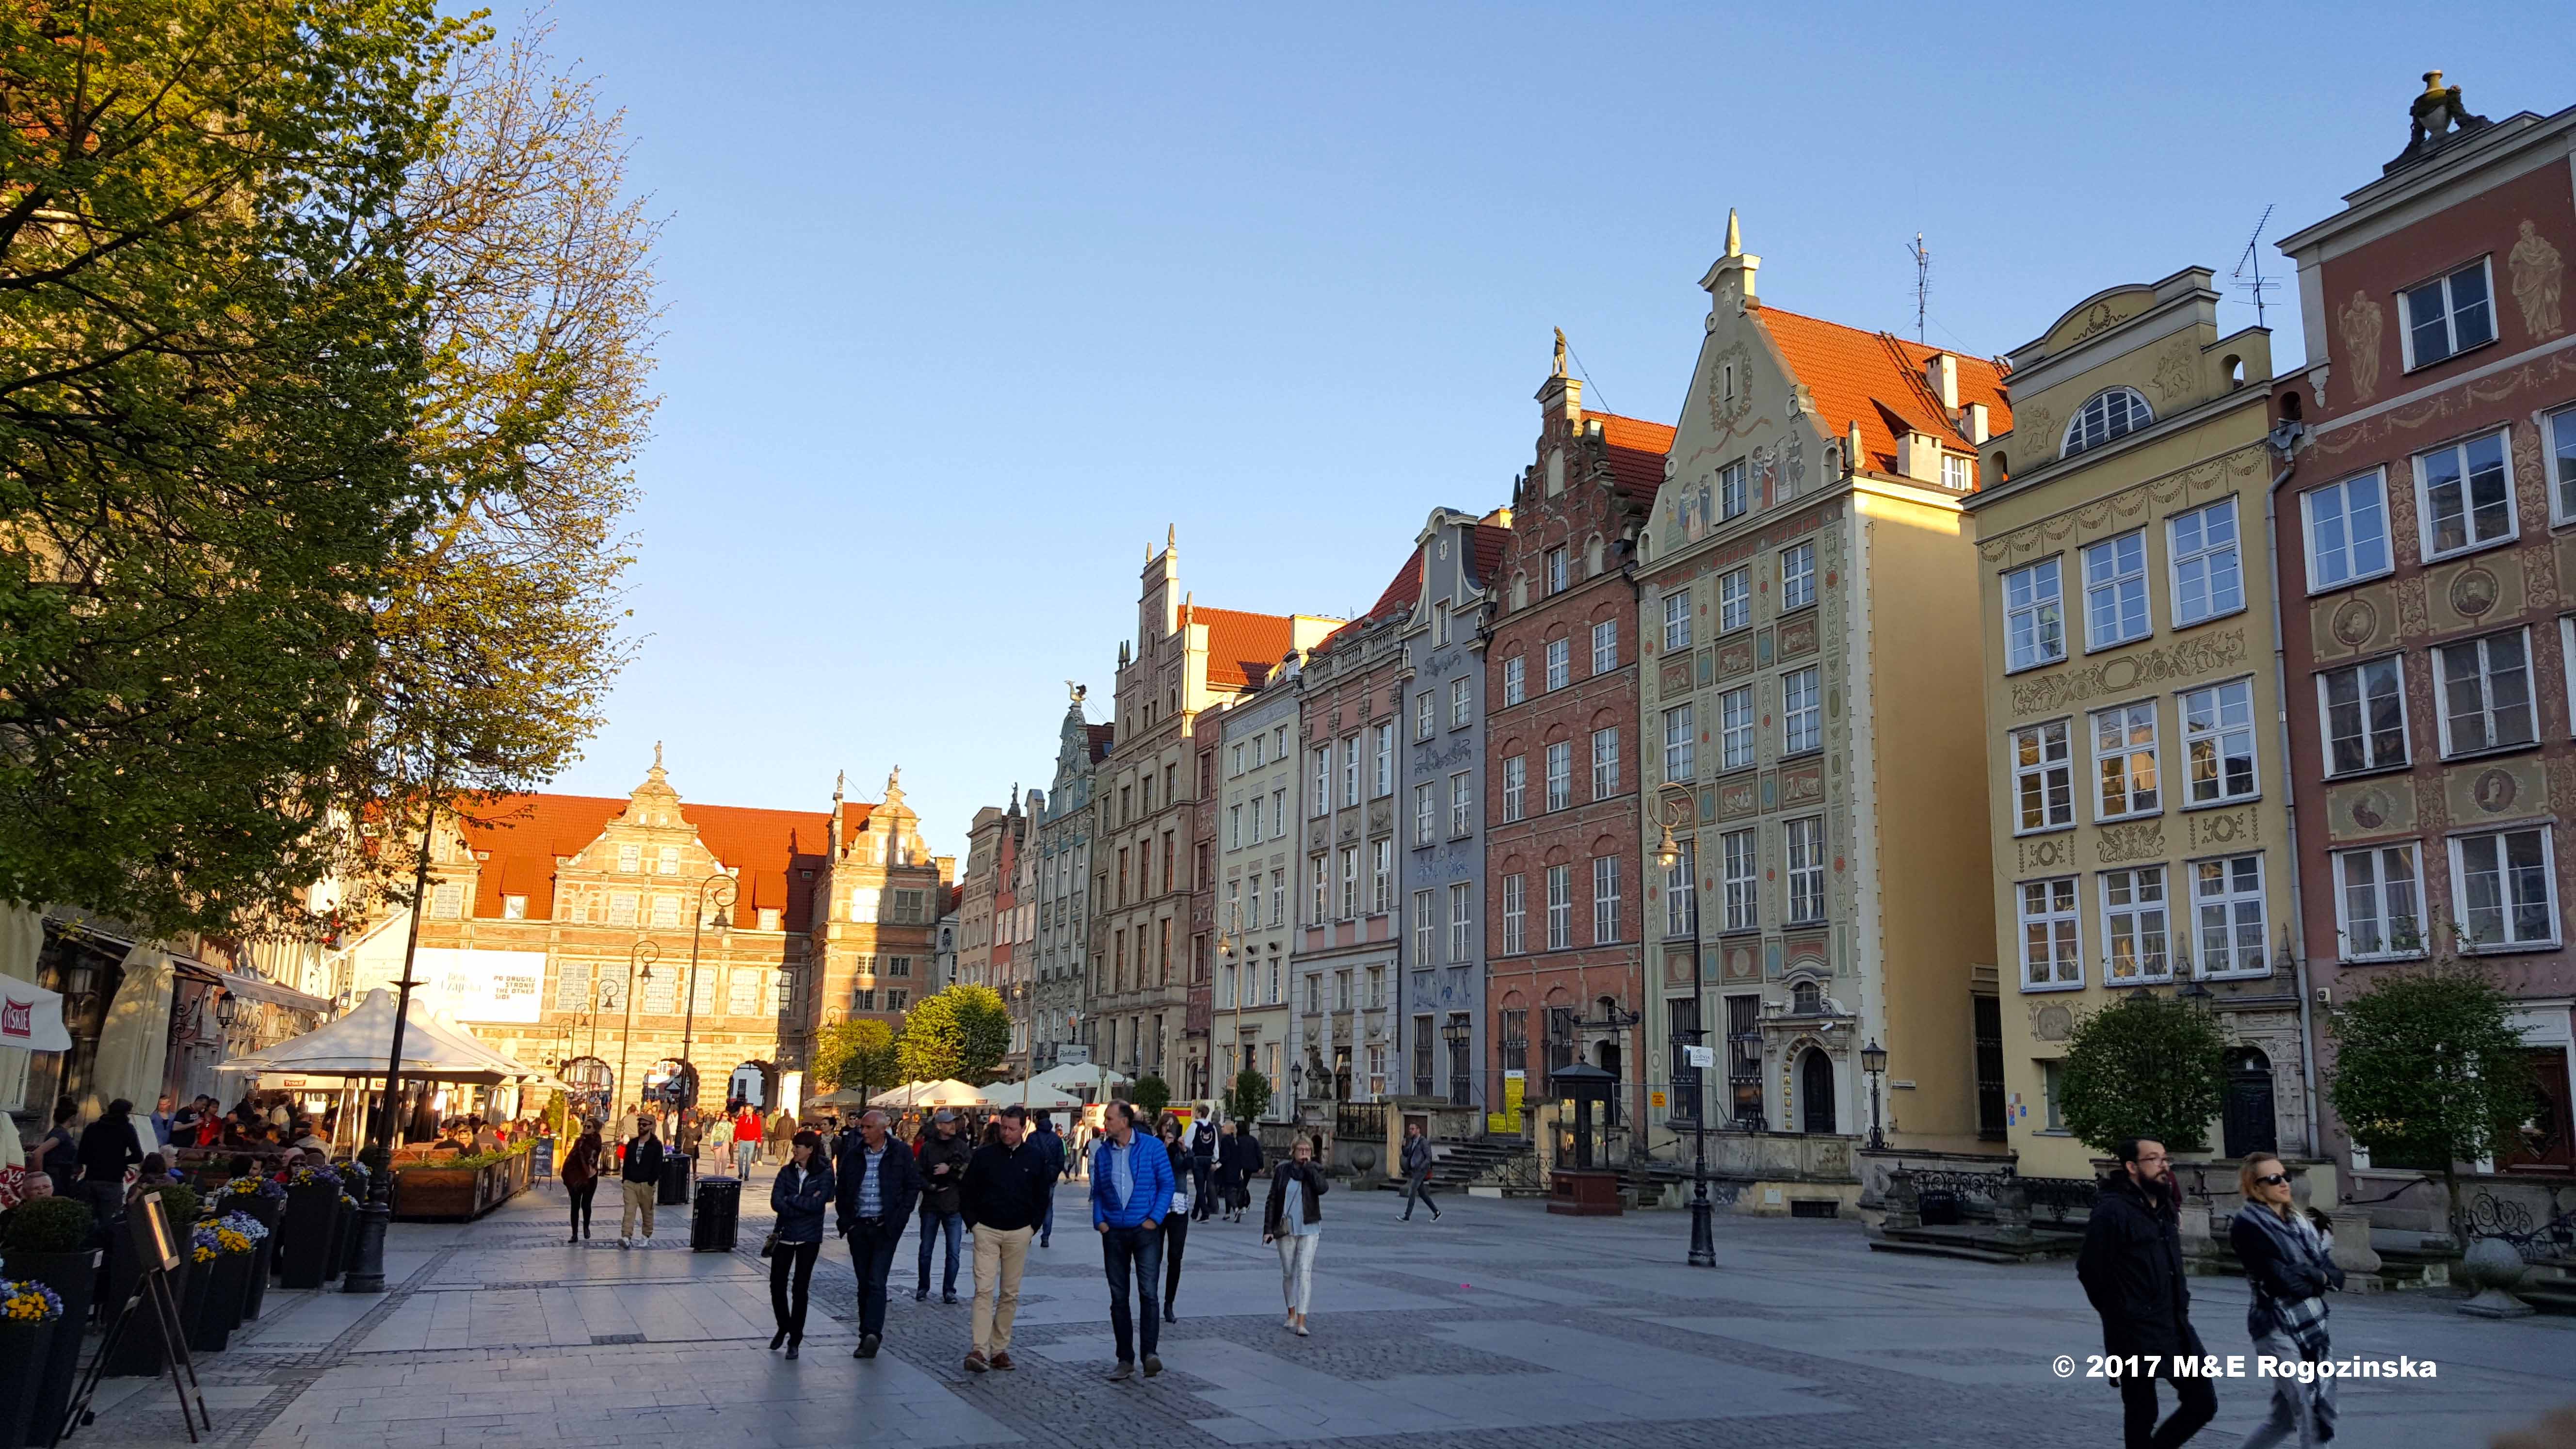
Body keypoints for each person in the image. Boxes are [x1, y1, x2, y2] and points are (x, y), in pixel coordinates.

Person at [2077, 1138, 2215, 1449]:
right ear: (2132, 1166)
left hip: (2175, 1323)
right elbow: (2089, 1270)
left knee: (2202, 1403)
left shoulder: (2163, 1207)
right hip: (2133, 1330)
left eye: (2165, 1159)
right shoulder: (2112, 1211)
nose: (2164, 1166)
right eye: (2154, 1159)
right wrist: (2121, 1311)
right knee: (2142, 1410)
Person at [2231, 1152, 2343, 1449]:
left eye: (2285, 1177)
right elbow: (2283, 1282)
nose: (2283, 1183)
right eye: (2273, 1179)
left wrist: (2315, 1276)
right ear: (2255, 1186)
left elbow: (2335, 1275)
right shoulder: (2248, 1226)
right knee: (2311, 1410)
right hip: (2275, 1327)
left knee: (2282, 1420)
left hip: (2312, 1328)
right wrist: (2319, 1278)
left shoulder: (2302, 1224)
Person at [958, 1105, 1054, 1373]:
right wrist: (973, 1223)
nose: (1006, 1133)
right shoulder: (984, 1156)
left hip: (1019, 1231)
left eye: (1012, 1128)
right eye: (1003, 1127)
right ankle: (980, 1348)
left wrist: (1032, 1227)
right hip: (986, 1230)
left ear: (1024, 1128)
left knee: (1010, 1293)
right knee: (983, 1290)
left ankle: (999, 1349)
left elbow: (1042, 1195)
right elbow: (967, 1190)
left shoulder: (1035, 1157)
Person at [1089, 1100, 1172, 1381]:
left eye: (1109, 1119)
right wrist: (1100, 1222)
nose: (1105, 1123)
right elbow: (1098, 1191)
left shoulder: (1153, 1147)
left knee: (1148, 1293)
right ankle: (1125, 1359)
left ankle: (1150, 1354)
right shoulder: (1103, 1153)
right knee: (1118, 1297)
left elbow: (1167, 1184)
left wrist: (1155, 1219)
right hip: (1114, 1230)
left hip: (1144, 1230)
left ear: (1124, 1121)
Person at [834, 1110, 920, 1360]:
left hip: (886, 1227)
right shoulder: (855, 1154)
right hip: (859, 1227)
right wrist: (848, 1222)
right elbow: (843, 1188)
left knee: (876, 1281)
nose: (863, 1131)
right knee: (864, 1282)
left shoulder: (900, 1153)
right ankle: (866, 1334)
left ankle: (872, 1334)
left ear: (883, 1129)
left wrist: (900, 1219)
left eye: (869, 1127)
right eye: (862, 1127)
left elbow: (912, 1186)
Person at [769, 1129, 835, 1359]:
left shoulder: (824, 1173)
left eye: (798, 1146)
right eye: (794, 1146)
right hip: (785, 1234)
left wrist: (792, 1200)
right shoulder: (786, 1172)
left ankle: (795, 1338)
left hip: (809, 1238)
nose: (794, 1150)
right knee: (777, 1285)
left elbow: (818, 1205)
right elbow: (776, 1202)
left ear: (810, 1150)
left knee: (800, 1288)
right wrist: (801, 1203)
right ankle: (783, 1325)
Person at [1263, 1133, 1326, 1336]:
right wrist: (1268, 1230)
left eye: (1308, 1150)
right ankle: (1291, 1312)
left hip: (1310, 1228)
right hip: (1287, 1229)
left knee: (1305, 1273)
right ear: (1293, 1151)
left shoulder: (1315, 1169)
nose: (1304, 1153)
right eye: (1301, 1150)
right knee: (1289, 1272)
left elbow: (1322, 1188)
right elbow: (1272, 1199)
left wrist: (1309, 1169)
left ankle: (1302, 1321)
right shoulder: (1282, 1171)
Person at [913, 1109, 972, 1304]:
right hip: (931, 1205)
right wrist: (930, 1186)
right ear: (939, 1126)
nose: (952, 1126)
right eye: (948, 1123)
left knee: (953, 1252)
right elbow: (918, 1174)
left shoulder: (961, 1146)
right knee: (926, 1250)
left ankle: (949, 1290)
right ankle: (923, 1287)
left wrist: (950, 1169)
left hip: (953, 1206)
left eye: (954, 1122)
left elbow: (969, 1171)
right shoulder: (928, 1147)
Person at [75, 1097, 145, 1220]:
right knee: (110, 1221)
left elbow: (81, 1156)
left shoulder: (92, 1128)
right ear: (126, 1113)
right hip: (113, 1181)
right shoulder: (127, 1129)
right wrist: (120, 1162)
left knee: (88, 1219)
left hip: (91, 1178)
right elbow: (138, 1156)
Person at [1157, 1116, 1192, 1323]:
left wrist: (1184, 1150)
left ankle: (1169, 1303)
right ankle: (1151, 1300)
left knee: (1175, 1256)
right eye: (1166, 1125)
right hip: (1158, 1206)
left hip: (1179, 1206)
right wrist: (1164, 1146)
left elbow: (1188, 1166)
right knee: (1154, 1256)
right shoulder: (1155, 1145)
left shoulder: (1181, 1148)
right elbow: (1153, 1167)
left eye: (1173, 1126)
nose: (1169, 1129)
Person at [618, 1114, 664, 1248]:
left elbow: (658, 1165)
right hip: (631, 1183)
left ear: (651, 1126)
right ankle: (626, 1236)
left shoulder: (656, 1145)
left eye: (644, 1125)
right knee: (629, 1211)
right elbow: (627, 1162)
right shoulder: (632, 1144)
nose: (641, 1127)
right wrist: (625, 1179)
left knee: (647, 1211)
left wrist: (651, 1181)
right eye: (640, 1124)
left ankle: (646, 1236)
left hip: (646, 1184)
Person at [1029, 1112, 1065, 1247]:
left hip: (1034, 1178)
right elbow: (1061, 1160)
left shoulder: (1032, 1137)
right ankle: (1046, 1237)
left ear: (1037, 1120)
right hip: (1050, 1177)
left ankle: (1028, 1235)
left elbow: (1026, 1157)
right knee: (1048, 1207)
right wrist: (1054, 1175)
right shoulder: (1056, 1139)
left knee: (1031, 1206)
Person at [562, 1122, 602, 1242]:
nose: (585, 1128)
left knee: (586, 1205)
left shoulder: (596, 1142)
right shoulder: (579, 1142)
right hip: (577, 1177)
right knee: (575, 1206)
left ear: (595, 1129)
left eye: (589, 1127)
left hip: (591, 1177)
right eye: (585, 1126)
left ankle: (586, 1227)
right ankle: (574, 1234)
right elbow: (572, 1157)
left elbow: (593, 1157)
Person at [34, 1098, 79, 1197]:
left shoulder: (59, 1132)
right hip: (57, 1179)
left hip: (60, 1177)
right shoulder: (61, 1134)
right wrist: (41, 1177)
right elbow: (38, 1153)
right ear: (72, 1117)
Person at [1220, 1120, 1263, 1223]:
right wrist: (1261, 1166)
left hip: (1237, 1167)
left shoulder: (1236, 1140)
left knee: (1230, 1189)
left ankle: (1236, 1208)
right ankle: (1241, 1205)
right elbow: (1259, 1153)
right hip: (1249, 1167)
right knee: (1242, 1187)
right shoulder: (1252, 1139)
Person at [1398, 1120, 1441, 1222]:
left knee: (1412, 1191)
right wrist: (1403, 1146)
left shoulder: (1424, 1142)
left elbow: (1429, 1157)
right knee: (1423, 1194)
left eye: (1413, 1129)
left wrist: (1422, 1167)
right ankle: (1437, 1212)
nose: (1410, 1131)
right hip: (1414, 1171)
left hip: (1421, 1171)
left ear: (1418, 1130)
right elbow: (1406, 1153)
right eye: (1410, 1129)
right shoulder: (1412, 1141)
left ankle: (1407, 1216)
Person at [1188, 1115, 1217, 1222]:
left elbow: (1187, 1143)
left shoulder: (1194, 1126)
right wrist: (1215, 1159)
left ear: (1199, 1113)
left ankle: (1205, 1213)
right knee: (1202, 1186)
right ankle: (1195, 1213)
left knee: (1199, 1187)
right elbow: (1215, 1144)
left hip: (1198, 1158)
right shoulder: (1212, 1127)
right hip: (1208, 1158)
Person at [703, 1111, 735, 1179]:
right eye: (723, 1115)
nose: (724, 1117)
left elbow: (731, 1134)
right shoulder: (717, 1124)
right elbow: (713, 1134)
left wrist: (732, 1143)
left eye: (726, 1116)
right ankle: (717, 1174)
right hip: (717, 1142)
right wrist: (711, 1144)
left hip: (725, 1143)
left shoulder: (729, 1125)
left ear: (728, 1117)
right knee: (717, 1159)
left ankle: (723, 1174)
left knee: (724, 1159)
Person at [735, 1103, 763, 1178]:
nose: (746, 1112)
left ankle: (747, 1174)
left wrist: (759, 1141)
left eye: (748, 1110)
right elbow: (738, 1129)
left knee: (749, 1159)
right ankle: (741, 1173)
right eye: (746, 1110)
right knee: (740, 1157)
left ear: (752, 1110)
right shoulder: (742, 1118)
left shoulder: (756, 1119)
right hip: (742, 1141)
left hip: (751, 1141)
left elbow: (758, 1130)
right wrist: (735, 1140)